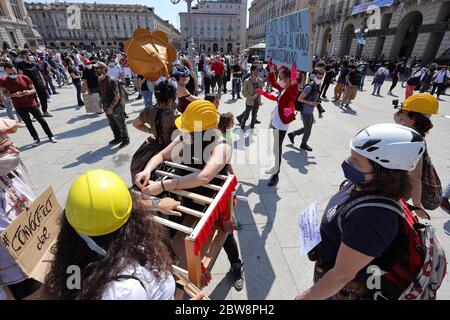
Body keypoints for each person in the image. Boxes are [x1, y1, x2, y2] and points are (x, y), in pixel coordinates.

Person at [295, 123, 426, 300]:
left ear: (384, 172)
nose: (348, 162)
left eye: (357, 161)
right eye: (352, 155)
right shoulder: (365, 183)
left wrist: (303, 298)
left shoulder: (373, 217)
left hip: (344, 291)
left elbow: (342, 275)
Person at [135, 101, 245, 291]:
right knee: (174, 234)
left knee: (223, 233)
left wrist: (161, 185)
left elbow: (204, 176)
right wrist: (146, 170)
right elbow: (161, 156)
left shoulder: (221, 146)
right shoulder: (186, 138)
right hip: (186, 195)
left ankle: (236, 265)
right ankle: (176, 272)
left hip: (212, 198)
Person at [43, 169, 188, 300]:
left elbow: (110, 210)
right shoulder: (126, 290)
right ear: (134, 218)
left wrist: (158, 204)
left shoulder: (75, 260)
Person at [0, 119, 42, 300]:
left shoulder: (12, 171)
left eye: (12, 145)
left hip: (40, 256)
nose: (15, 152)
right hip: (16, 274)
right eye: (3, 150)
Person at [393, 93, 439, 208]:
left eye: (402, 112)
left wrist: (417, 204)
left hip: (393, 189)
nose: (397, 114)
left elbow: (416, 175)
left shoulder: (414, 142)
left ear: (413, 119)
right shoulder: (414, 134)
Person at [256, 61, 298, 187]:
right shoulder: (283, 89)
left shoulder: (291, 89)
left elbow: (292, 99)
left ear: (290, 80)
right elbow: (274, 87)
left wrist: (294, 70)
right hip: (276, 120)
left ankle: (276, 175)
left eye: (284, 79)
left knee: (277, 148)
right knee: (275, 147)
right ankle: (275, 168)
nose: (282, 81)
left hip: (282, 123)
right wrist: (271, 70)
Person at [130, 80, 178, 180]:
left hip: (152, 149)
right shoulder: (176, 116)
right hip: (170, 152)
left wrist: (151, 131)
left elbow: (135, 124)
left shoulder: (148, 111)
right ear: (171, 98)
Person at [2, 63, 57, 146]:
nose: (13, 75)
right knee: (28, 123)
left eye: (14, 73)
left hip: (31, 103)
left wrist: (28, 92)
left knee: (41, 120)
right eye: (10, 74)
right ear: (5, 72)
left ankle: (50, 135)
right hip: (19, 105)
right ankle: (35, 138)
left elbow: (33, 90)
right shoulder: (4, 81)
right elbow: (5, 93)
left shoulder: (24, 77)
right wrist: (13, 95)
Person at [287, 69, 325, 151]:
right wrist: (311, 103)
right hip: (305, 111)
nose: (320, 77)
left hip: (310, 110)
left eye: (322, 75)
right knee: (308, 130)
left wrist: (319, 111)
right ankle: (303, 144)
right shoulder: (309, 87)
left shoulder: (318, 86)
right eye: (318, 75)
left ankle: (293, 134)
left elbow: (317, 99)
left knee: (307, 127)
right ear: (314, 75)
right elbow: (300, 99)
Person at [96, 61, 129, 149]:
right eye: (97, 68)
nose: (97, 70)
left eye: (99, 68)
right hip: (107, 106)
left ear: (104, 69)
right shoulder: (100, 80)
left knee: (121, 124)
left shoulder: (112, 80)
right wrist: (100, 101)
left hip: (116, 106)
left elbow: (117, 96)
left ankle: (126, 140)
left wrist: (111, 107)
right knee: (112, 123)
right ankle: (117, 138)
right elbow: (103, 92)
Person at [16, 50, 52, 117]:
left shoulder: (34, 64)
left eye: (30, 54)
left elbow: (39, 73)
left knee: (43, 99)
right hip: (30, 86)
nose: (29, 56)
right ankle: (36, 114)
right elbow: (21, 75)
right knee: (33, 100)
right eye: (27, 54)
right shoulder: (20, 64)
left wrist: (43, 81)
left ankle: (45, 111)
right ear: (23, 56)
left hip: (39, 84)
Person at [239, 65, 264, 133]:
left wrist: (260, 93)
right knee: (246, 117)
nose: (258, 72)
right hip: (249, 102)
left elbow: (261, 89)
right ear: (252, 71)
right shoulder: (246, 81)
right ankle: (242, 128)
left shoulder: (260, 80)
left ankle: (252, 129)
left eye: (259, 70)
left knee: (254, 117)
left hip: (257, 102)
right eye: (257, 70)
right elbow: (243, 92)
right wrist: (251, 97)